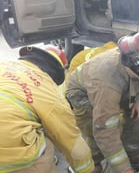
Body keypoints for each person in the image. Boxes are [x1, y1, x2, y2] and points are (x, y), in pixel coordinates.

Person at [66, 31, 139, 173]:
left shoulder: (138, 64)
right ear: (136, 63)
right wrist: (124, 169)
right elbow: (105, 131)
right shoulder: (107, 82)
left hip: (121, 84)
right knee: (104, 128)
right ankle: (93, 162)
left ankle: (131, 152)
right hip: (83, 95)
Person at [0, 45, 94, 173]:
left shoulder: (5, 65)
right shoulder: (49, 92)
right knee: (47, 145)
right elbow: (73, 144)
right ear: (55, 73)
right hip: (9, 151)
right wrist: (87, 169)